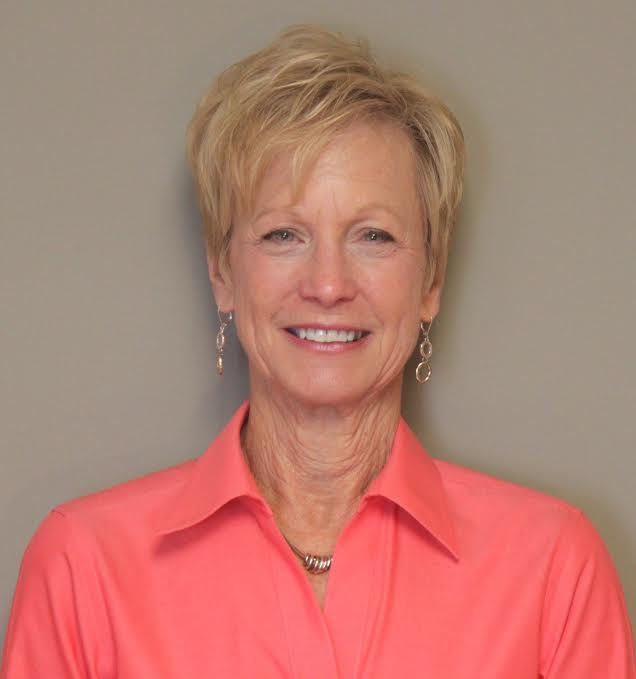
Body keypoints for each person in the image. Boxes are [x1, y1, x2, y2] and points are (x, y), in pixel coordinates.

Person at [1, 24, 634, 679]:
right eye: (283, 234)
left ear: (432, 280)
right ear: (222, 271)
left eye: (374, 236)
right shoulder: (85, 568)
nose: (328, 284)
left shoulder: (554, 569)